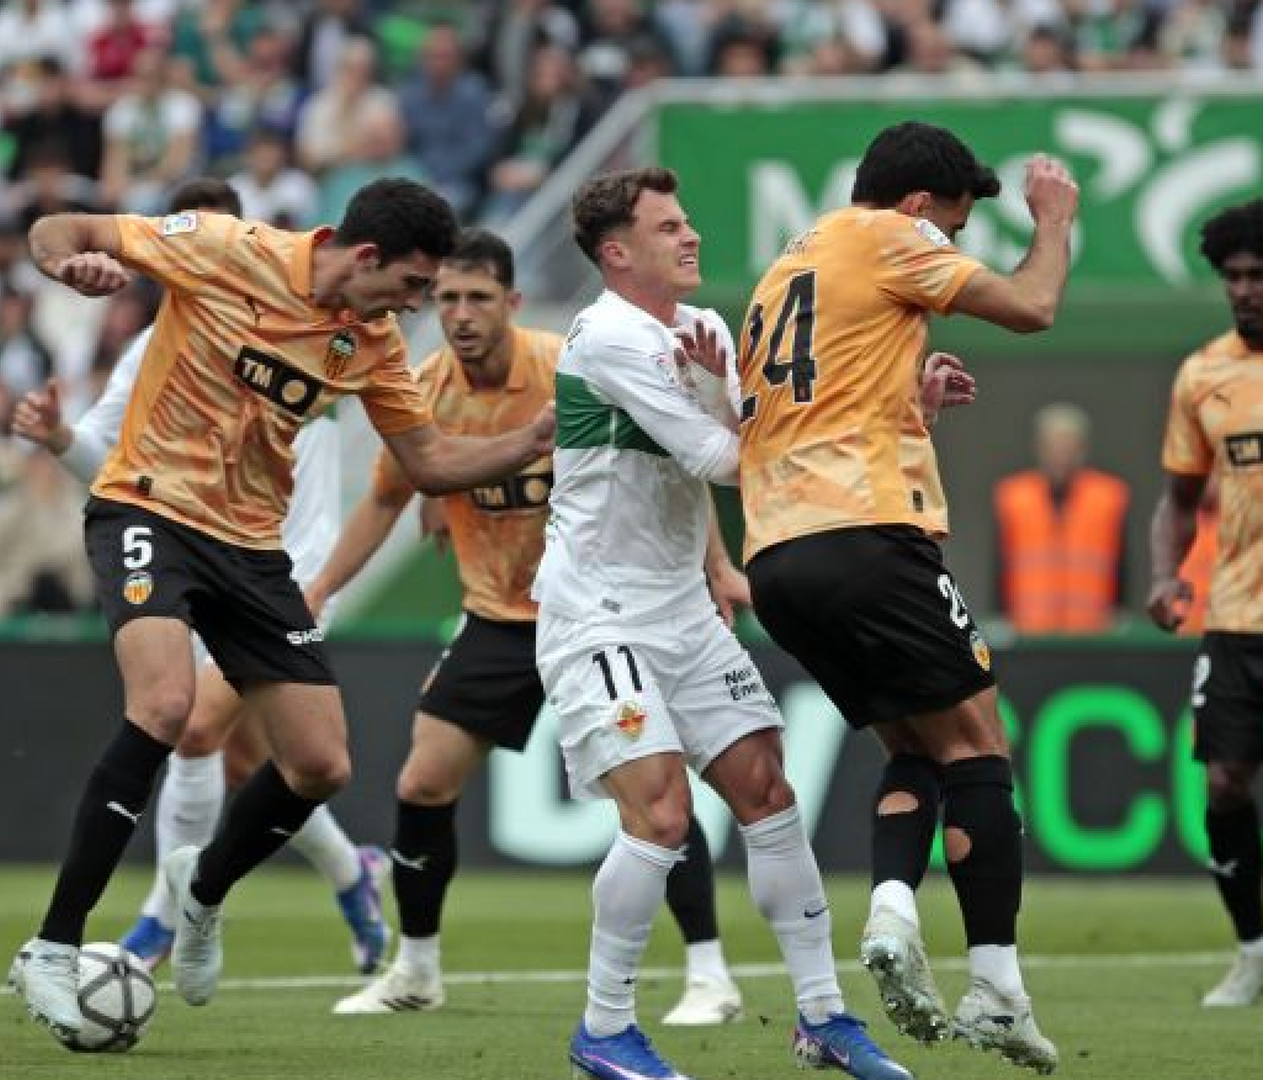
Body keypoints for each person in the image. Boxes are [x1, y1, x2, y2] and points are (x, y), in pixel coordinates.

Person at [6, 177, 555, 1046]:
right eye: (413, 288)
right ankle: (52, 944)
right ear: (365, 256)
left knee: (320, 765)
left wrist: (528, 441)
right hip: (150, 505)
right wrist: (68, 265)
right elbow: (58, 222)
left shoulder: (369, 342)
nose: (416, 310)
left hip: (253, 551)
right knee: (165, 706)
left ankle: (204, 889)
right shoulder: (228, 249)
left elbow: (430, 460)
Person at [306, 227, 742, 1025]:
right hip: (499, 618)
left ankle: (710, 974)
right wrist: (322, 587)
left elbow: (668, 461)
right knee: (421, 782)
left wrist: (715, 565)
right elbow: (383, 498)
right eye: (446, 299)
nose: (461, 314)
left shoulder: (567, 365)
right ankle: (417, 969)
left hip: (599, 611)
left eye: (478, 298)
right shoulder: (424, 391)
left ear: (511, 302)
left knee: (653, 794)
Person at [538, 167, 910, 1080]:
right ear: (617, 252)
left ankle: (822, 1017)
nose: (691, 235)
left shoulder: (702, 330)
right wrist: (851, 430)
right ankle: (605, 1029)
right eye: (669, 226)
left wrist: (897, 407)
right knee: (661, 813)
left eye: (688, 219)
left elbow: (769, 422)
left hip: (681, 607)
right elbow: (725, 455)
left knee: (767, 795)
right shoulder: (608, 337)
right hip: (598, 611)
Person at [735, 121, 1078, 1073]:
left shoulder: (788, 265)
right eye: (957, 228)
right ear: (920, 207)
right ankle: (1000, 985)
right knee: (978, 745)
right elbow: (1034, 306)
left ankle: (891, 913)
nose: (955, 250)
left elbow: (817, 404)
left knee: (915, 744)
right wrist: (1054, 223)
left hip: (778, 557)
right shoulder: (893, 235)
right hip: (868, 539)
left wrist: (909, 403)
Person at [11, 177, 390, 976]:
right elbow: (107, 462)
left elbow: (412, 447)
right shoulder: (150, 352)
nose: (206, 259)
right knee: (252, 760)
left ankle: (164, 917)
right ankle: (345, 874)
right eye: (186, 245)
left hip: (292, 563)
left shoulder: (326, 322)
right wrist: (53, 438)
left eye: (218, 240)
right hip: (187, 542)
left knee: (201, 730)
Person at [1147, 197, 1263, 1008]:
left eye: (1258, 275)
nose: (1246, 290)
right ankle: (1254, 949)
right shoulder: (1204, 374)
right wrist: (1165, 574)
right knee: (1224, 785)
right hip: (1234, 619)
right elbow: (1179, 499)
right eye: (1234, 277)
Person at [993, 403, 1129, 633]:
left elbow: (1122, 562)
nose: (1060, 455)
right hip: (1029, 629)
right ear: (1039, 448)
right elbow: (1000, 563)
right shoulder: (1013, 496)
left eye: (1068, 447)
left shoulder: (1109, 496)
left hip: (1092, 630)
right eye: (1053, 446)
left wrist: (1119, 611)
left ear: (1083, 450)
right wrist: (1001, 617)